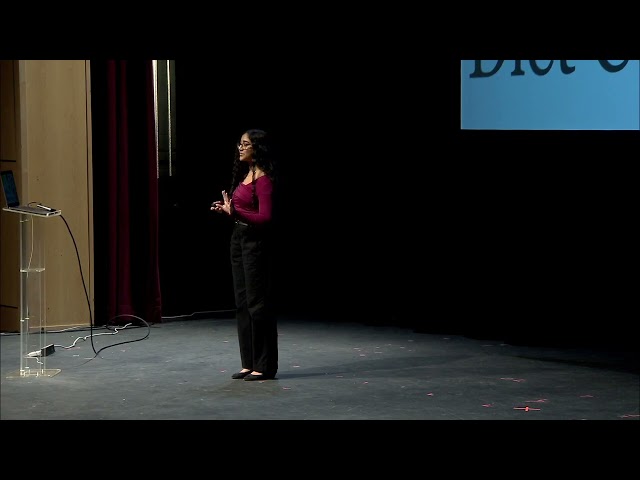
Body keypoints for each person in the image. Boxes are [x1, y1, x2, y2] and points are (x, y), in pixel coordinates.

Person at [211, 128, 278, 381]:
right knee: (242, 304)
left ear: (257, 148)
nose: (240, 148)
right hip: (238, 239)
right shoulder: (247, 175)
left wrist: (237, 213)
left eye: (246, 144)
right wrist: (227, 210)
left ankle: (265, 365)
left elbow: (265, 217)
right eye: (240, 143)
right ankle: (249, 362)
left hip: (255, 243)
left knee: (257, 304)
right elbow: (241, 212)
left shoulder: (263, 180)